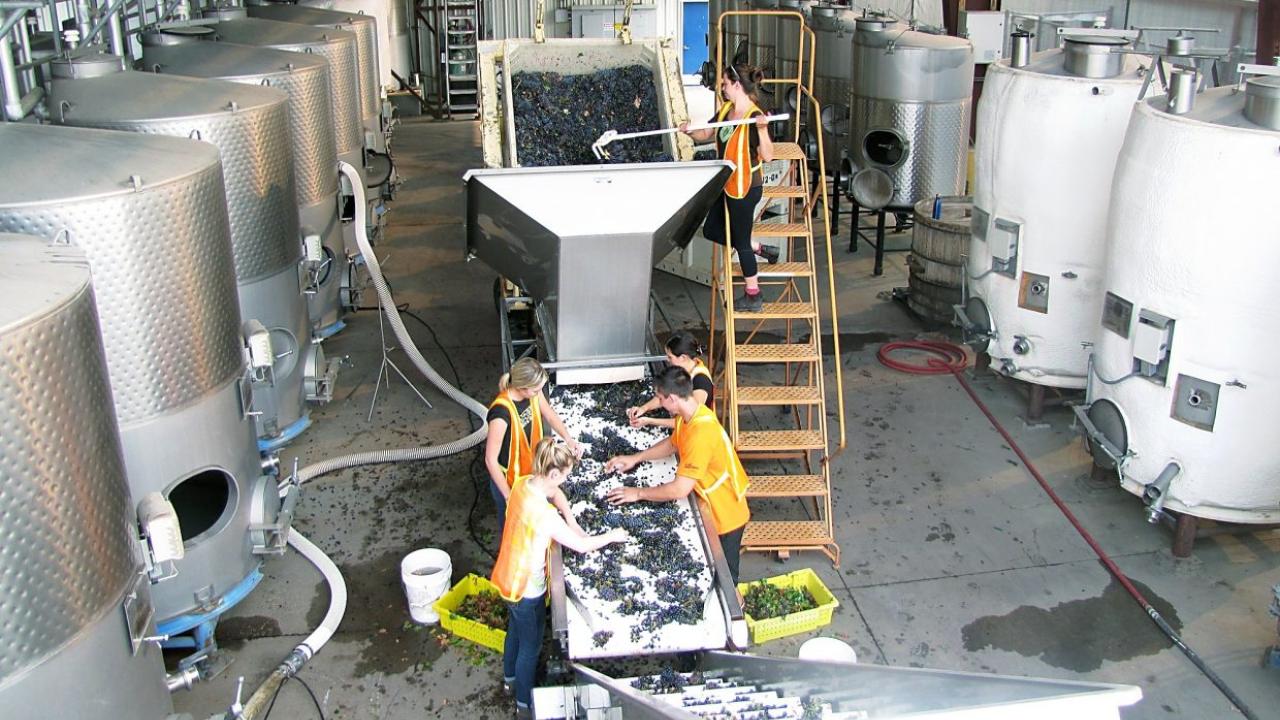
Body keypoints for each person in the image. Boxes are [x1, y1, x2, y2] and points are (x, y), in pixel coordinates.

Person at [491, 439, 628, 719]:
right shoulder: (543, 515)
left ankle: (509, 679)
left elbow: (556, 495)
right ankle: (524, 704)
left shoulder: (523, 484)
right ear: (553, 474)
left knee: (514, 632)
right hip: (526, 588)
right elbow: (581, 546)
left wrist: (571, 517)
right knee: (531, 646)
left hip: (506, 575)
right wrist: (612, 536)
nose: (565, 480)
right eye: (564, 475)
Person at [604, 366, 750, 583]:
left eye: (660, 399)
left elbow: (680, 489)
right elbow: (673, 443)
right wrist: (636, 458)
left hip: (724, 516)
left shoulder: (701, 433)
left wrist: (638, 493)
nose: (659, 404)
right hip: (712, 507)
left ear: (672, 398)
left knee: (726, 584)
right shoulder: (691, 414)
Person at [678, 61, 777, 313]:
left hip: (745, 188)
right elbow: (706, 135)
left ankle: (753, 295)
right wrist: (689, 131)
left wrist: (763, 131)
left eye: (724, 84)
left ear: (737, 84)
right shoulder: (725, 113)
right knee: (712, 230)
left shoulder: (754, 117)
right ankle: (759, 248)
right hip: (727, 184)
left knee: (740, 242)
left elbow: (767, 156)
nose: (721, 88)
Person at [485, 357, 582, 525]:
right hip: (509, 480)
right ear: (523, 388)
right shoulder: (501, 412)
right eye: (536, 390)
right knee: (513, 526)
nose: (539, 393)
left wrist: (568, 439)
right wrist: (509, 496)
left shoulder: (533, 394)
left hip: (530, 471)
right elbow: (490, 460)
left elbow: (549, 415)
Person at [626, 330, 715, 428]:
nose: (667, 360)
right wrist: (644, 408)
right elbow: (665, 395)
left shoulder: (700, 382)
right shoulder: (684, 370)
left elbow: (688, 422)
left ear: (683, 357)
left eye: (670, 357)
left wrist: (650, 421)